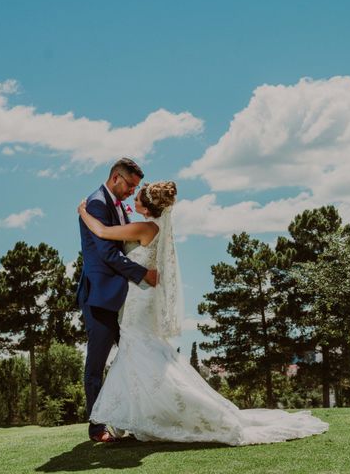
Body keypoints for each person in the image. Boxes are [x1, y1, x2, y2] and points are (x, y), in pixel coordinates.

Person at [77, 180, 329, 445]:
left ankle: (146, 413)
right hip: (141, 297)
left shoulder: (144, 227)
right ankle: (136, 416)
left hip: (140, 300)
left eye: (137, 198)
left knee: (138, 351)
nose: (132, 201)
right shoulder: (154, 226)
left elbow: (103, 232)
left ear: (147, 206)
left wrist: (83, 212)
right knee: (140, 353)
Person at [77, 158, 158, 443]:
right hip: (100, 297)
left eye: (135, 188)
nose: (130, 193)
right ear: (116, 178)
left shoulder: (116, 205)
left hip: (126, 301)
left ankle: (138, 418)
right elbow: (107, 255)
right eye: (130, 186)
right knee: (96, 365)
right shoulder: (97, 203)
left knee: (136, 360)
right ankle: (96, 427)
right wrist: (143, 274)